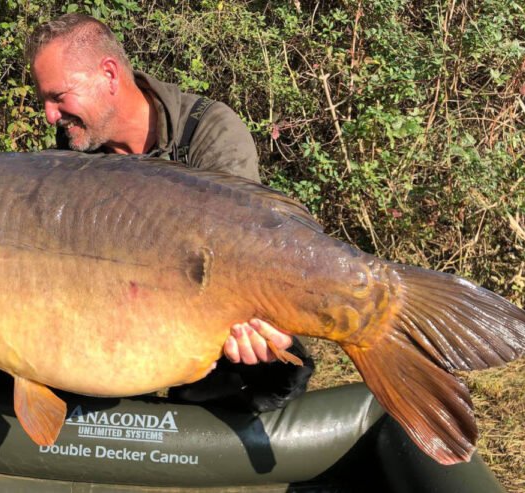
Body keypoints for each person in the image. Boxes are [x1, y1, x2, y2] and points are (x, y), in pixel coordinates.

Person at [18, 13, 314, 411]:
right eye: (45, 101)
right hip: (117, 319)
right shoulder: (71, 156)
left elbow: (245, 254)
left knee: (271, 357)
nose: (50, 115)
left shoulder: (208, 130)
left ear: (108, 74)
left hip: (207, 309)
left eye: (58, 97)